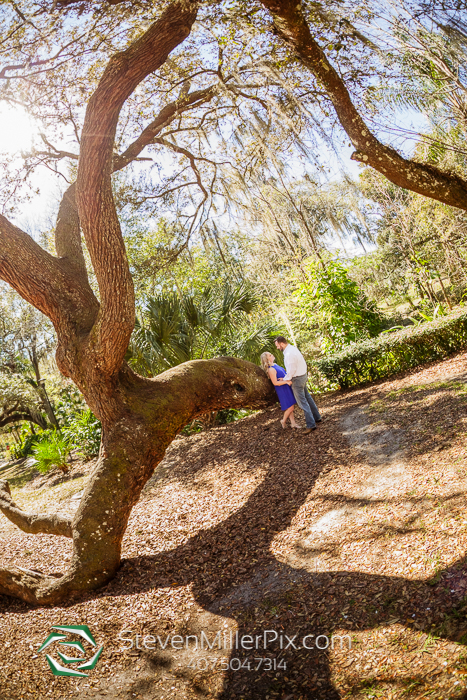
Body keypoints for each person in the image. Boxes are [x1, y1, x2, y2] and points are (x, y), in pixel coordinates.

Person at [274, 335, 322, 435]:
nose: (277, 348)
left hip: (297, 380)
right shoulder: (292, 349)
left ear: (282, 344)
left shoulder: (289, 354)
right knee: (308, 398)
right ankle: (317, 417)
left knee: (302, 403)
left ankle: (311, 425)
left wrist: (287, 379)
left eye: (278, 346)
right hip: (302, 376)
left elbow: (291, 370)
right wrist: (286, 377)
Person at [260, 352, 299, 429]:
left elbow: (283, 375)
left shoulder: (275, 365)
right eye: (270, 355)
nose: (272, 355)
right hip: (282, 389)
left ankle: (293, 423)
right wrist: (286, 381)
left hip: (286, 386)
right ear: (267, 359)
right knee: (291, 407)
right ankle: (283, 420)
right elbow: (275, 382)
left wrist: (285, 379)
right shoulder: (271, 369)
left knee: (290, 406)